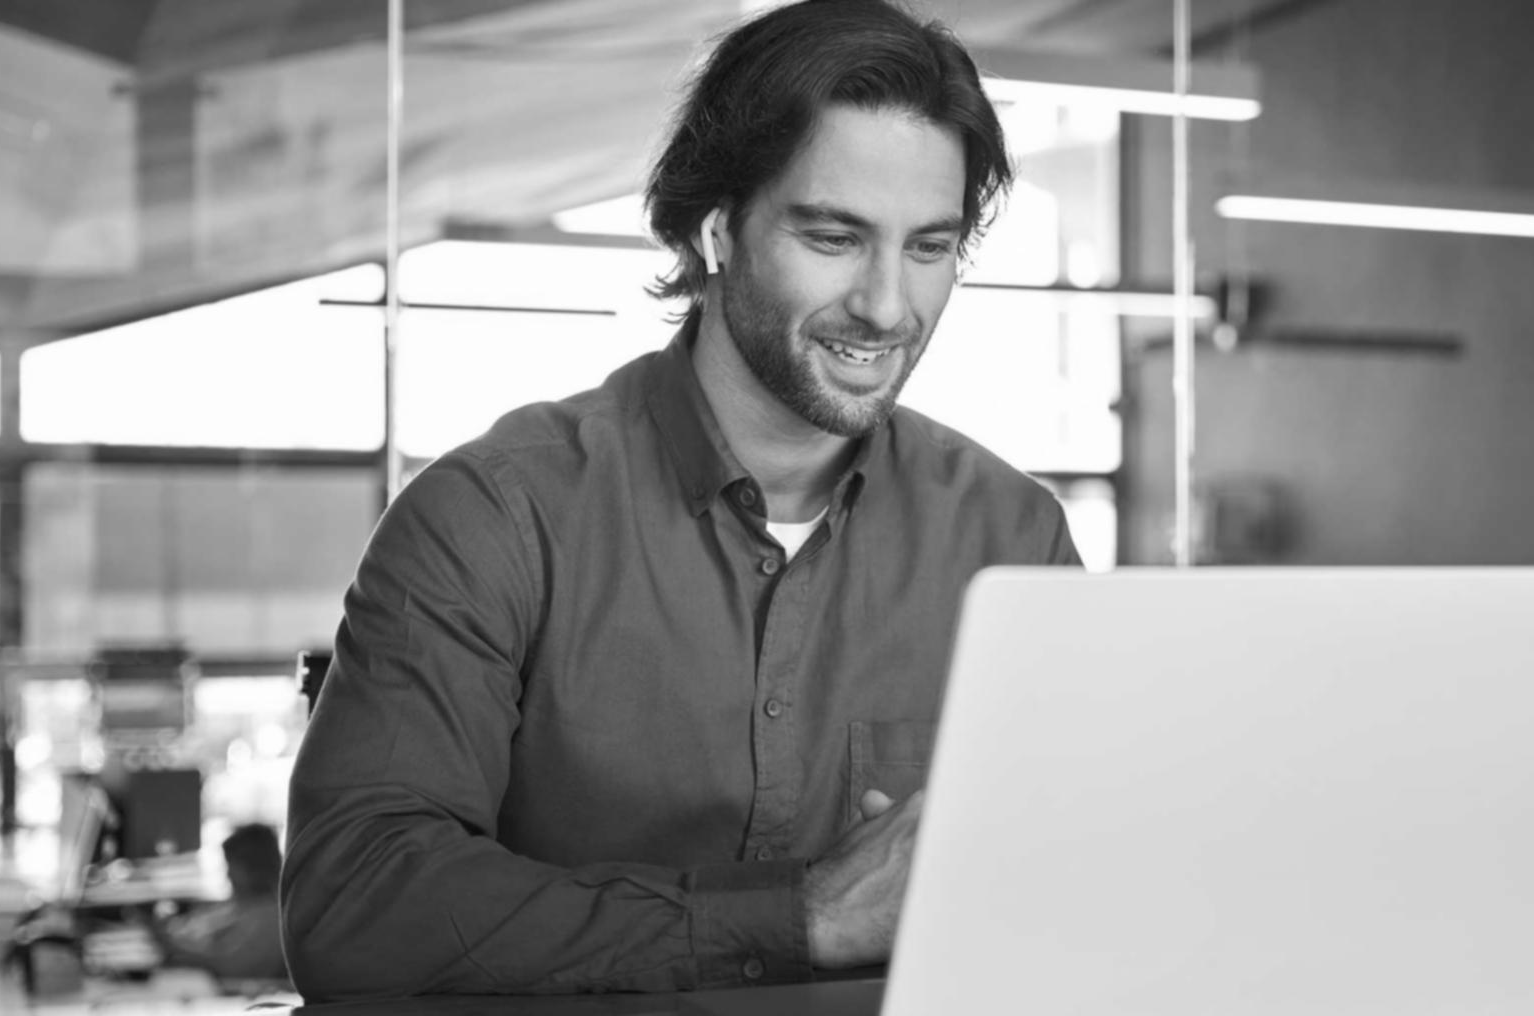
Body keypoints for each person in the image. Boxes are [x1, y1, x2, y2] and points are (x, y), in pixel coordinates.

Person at [280, 0, 1080, 1001]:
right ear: (714, 228)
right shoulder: (494, 515)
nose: (888, 305)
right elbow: (357, 910)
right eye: (834, 238)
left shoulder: (1011, 537)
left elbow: (1073, 891)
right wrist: (807, 912)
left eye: (928, 248)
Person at [156, 823, 290, 984]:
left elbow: (232, 966)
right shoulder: (240, 906)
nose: (228, 874)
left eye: (233, 866)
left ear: (255, 867)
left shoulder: (270, 917)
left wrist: (174, 947)